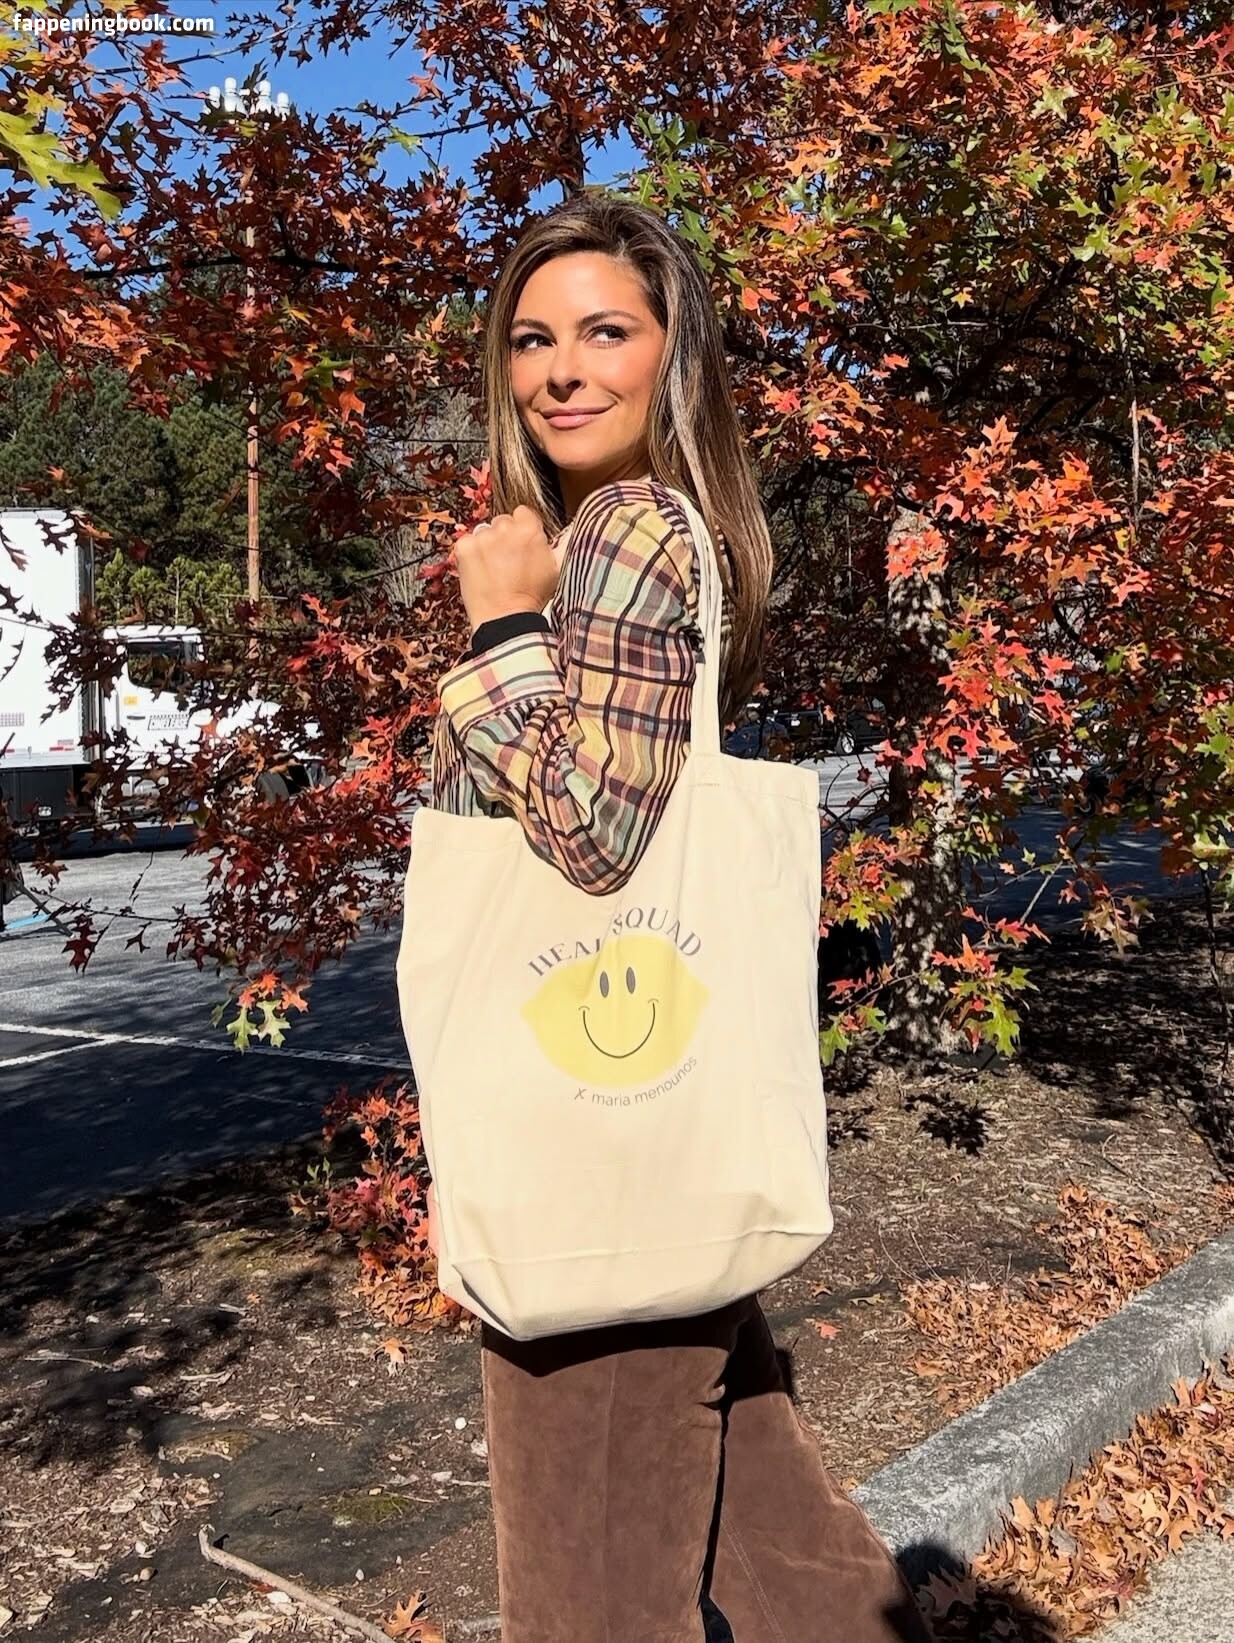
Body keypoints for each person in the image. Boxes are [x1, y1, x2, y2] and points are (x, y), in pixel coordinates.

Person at [423, 190, 931, 1643]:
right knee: (779, 1544)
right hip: (645, 1120)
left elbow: (589, 835)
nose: (559, 371)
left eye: (604, 332)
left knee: (587, 1583)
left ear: (672, 357)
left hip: (596, 1132)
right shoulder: (627, 530)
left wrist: (497, 631)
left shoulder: (629, 530)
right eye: (531, 340)